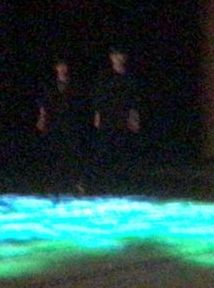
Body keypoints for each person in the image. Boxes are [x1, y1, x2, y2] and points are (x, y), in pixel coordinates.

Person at [91, 46, 141, 194]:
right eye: (116, 55)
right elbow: (99, 97)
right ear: (111, 58)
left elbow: (134, 100)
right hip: (108, 118)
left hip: (123, 118)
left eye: (121, 55)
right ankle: (103, 183)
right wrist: (98, 116)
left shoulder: (130, 78)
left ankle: (121, 184)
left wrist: (134, 118)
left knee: (123, 149)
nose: (119, 58)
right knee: (105, 150)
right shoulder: (104, 77)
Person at [36, 56, 88, 195]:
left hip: (71, 123)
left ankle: (76, 183)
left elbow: (81, 104)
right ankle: (52, 184)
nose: (62, 69)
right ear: (56, 68)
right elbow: (43, 104)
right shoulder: (49, 85)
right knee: (54, 153)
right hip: (53, 123)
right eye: (60, 66)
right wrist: (42, 118)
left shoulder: (76, 85)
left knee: (73, 154)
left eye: (64, 66)